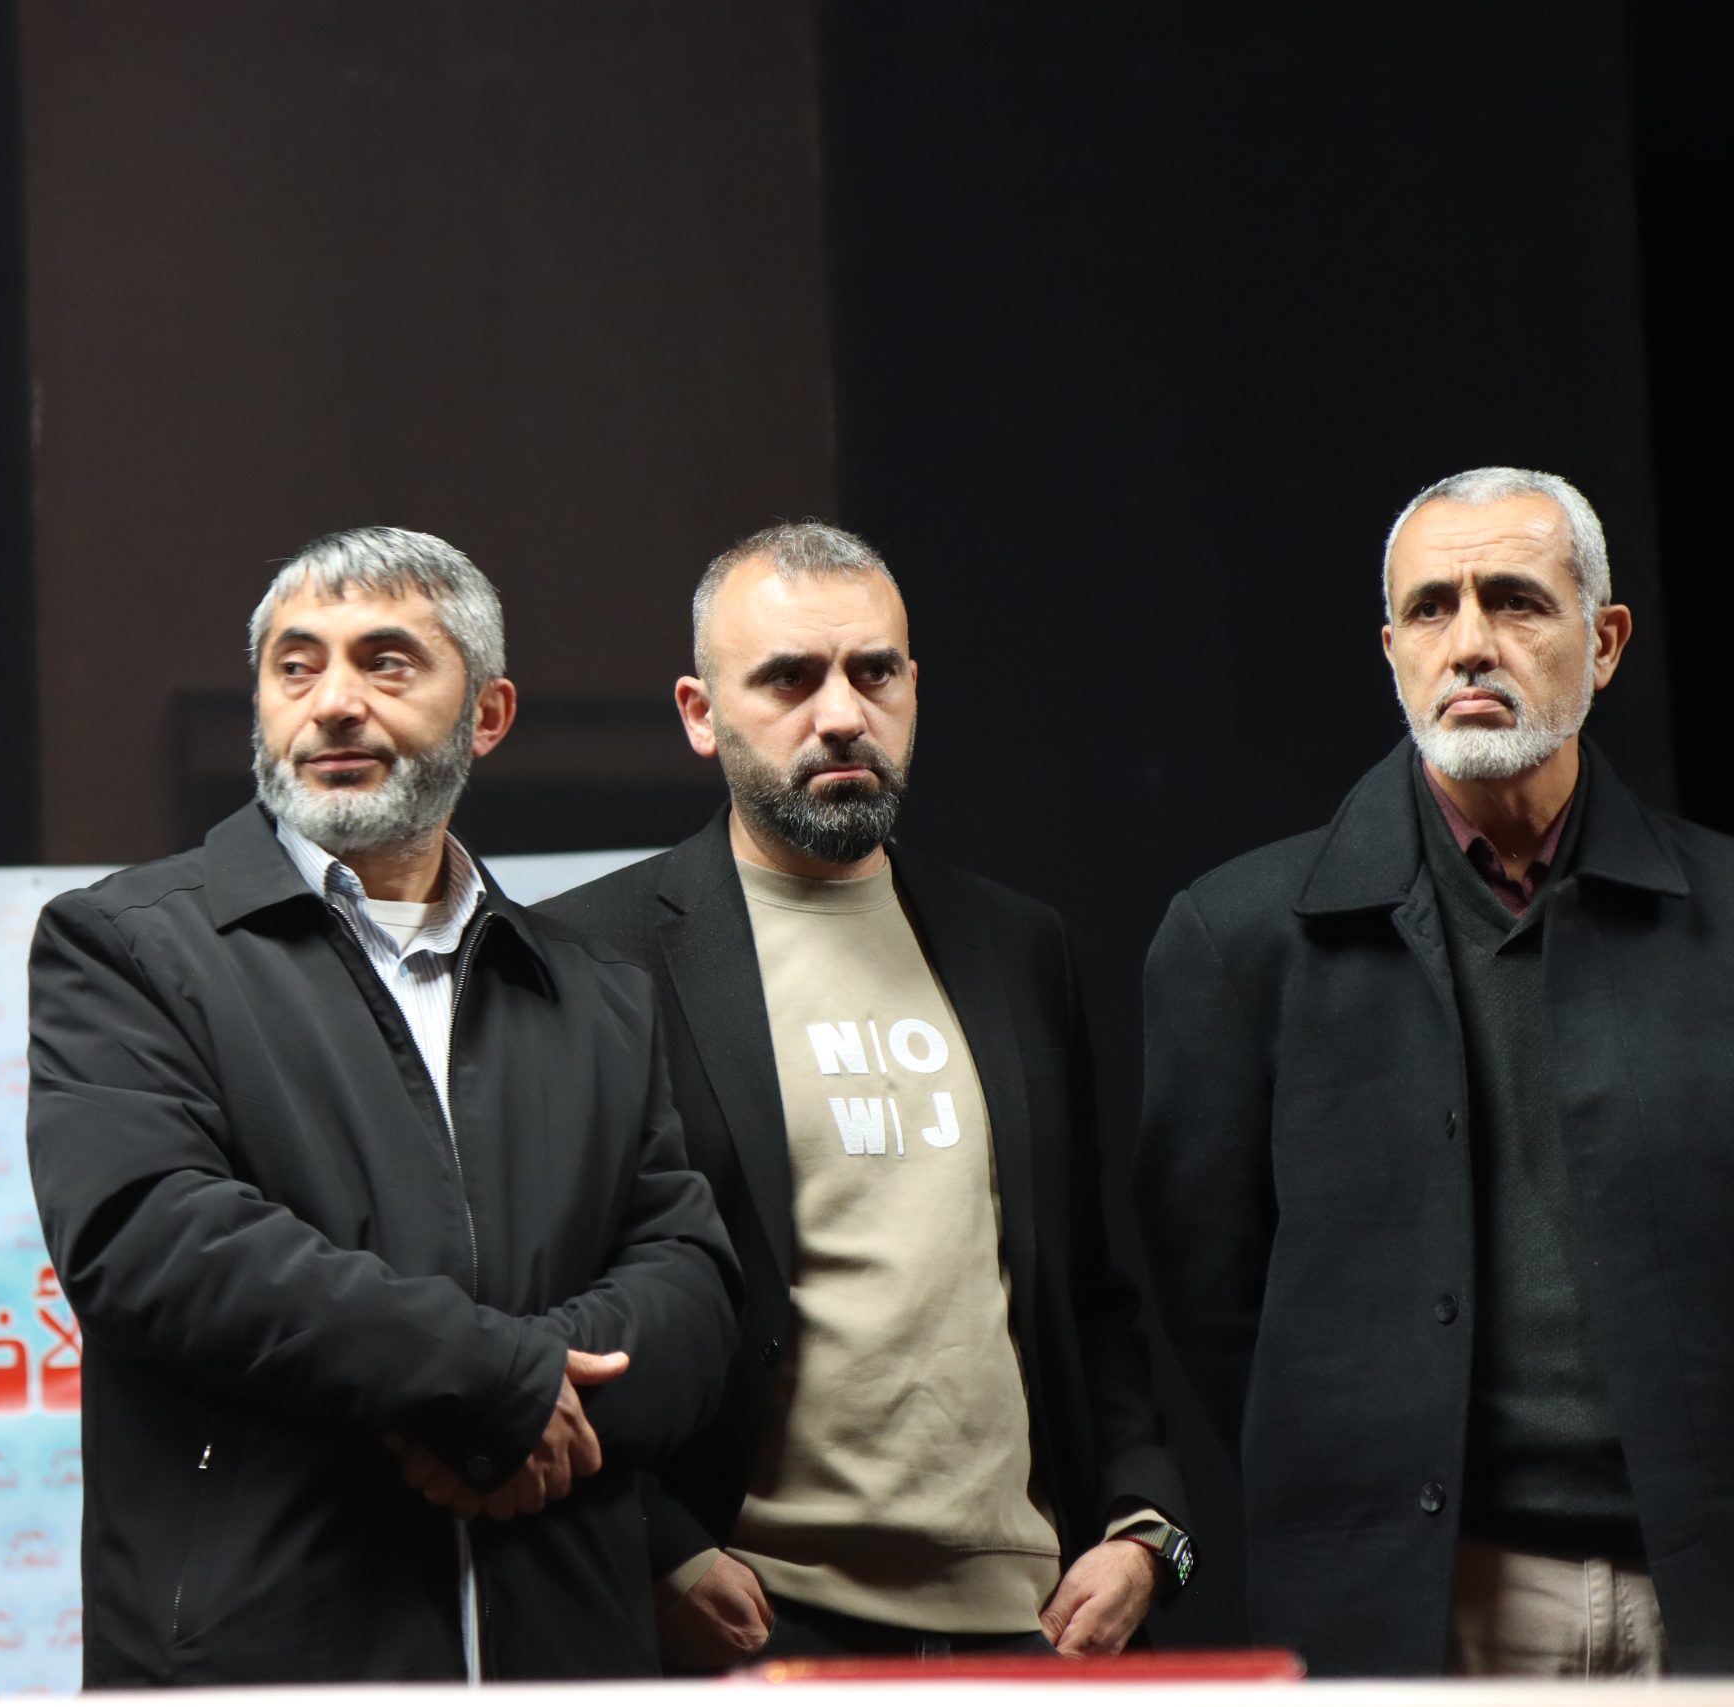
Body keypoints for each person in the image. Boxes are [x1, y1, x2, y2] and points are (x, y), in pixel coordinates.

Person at [26, 527, 740, 1686]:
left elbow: (690, 1286)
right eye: (295, 666)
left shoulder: (593, 989)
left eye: (387, 662)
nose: (333, 704)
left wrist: (533, 1399)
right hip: (264, 1662)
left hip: (567, 1650)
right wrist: (492, 1383)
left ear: (488, 715)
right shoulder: (128, 945)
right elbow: (151, 1238)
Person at [540, 522, 1189, 1668]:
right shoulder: (591, 954)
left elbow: (1080, 1285)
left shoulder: (1014, 945)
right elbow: (544, 1310)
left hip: (1031, 1625)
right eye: (788, 679)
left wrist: (1145, 1525)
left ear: (913, 689)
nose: (840, 714)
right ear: (699, 712)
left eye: (873, 672)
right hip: (757, 1623)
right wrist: (658, 1550)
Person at [1135, 467, 1734, 1674]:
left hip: (1704, 1584)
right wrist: (1360, 1474)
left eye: (1514, 601)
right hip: (1419, 1605)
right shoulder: (1239, 938)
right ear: (1391, 651)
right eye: (1429, 609)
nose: (1467, 644)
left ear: (1604, 643)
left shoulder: (1724, 915)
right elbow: (1214, 1298)